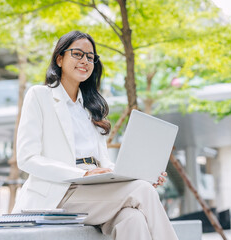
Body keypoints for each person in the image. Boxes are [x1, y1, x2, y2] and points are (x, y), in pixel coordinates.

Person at [12, 30, 178, 240]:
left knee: (132, 218)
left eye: (90, 57)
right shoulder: (40, 96)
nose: (85, 61)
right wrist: (82, 174)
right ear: (60, 58)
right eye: (78, 54)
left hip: (97, 189)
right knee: (142, 191)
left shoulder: (92, 108)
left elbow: (104, 163)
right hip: (61, 192)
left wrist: (141, 174)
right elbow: (27, 159)